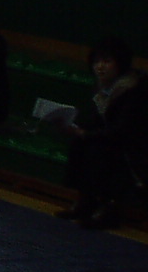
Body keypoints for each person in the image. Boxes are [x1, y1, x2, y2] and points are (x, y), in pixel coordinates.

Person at [54, 38, 142, 228]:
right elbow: (96, 123)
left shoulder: (132, 90)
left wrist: (87, 134)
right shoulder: (103, 88)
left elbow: (123, 130)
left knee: (101, 151)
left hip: (133, 148)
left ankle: (109, 206)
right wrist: (74, 128)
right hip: (111, 139)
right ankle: (85, 200)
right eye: (96, 62)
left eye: (107, 61)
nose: (100, 67)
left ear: (120, 64)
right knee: (79, 145)